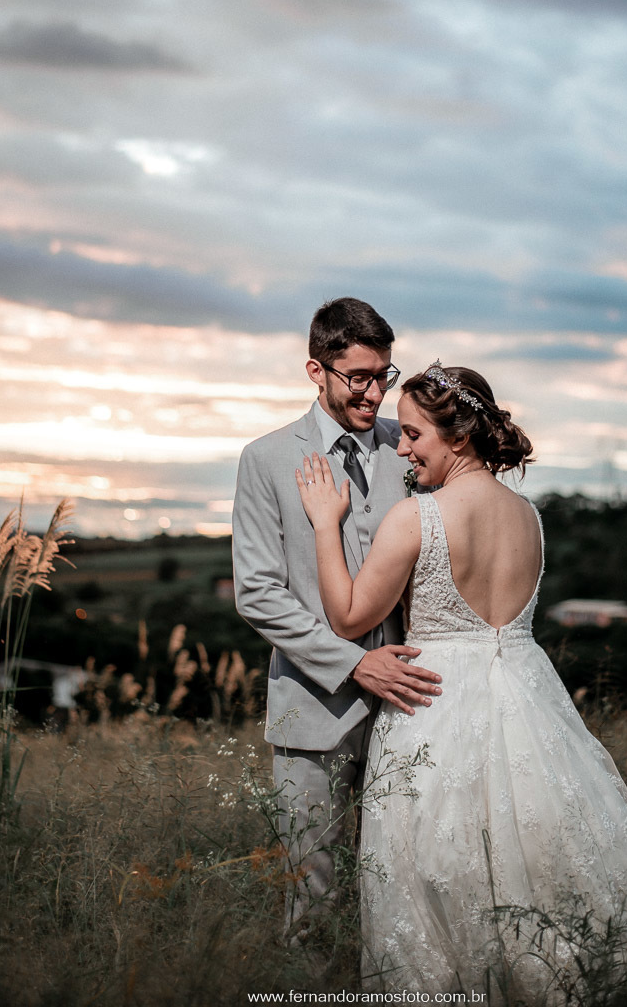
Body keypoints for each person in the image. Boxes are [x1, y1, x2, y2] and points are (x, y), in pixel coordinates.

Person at [296, 362, 627, 1002]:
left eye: (415, 434)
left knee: (438, 868)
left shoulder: (415, 518)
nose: (402, 446)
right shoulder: (529, 518)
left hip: (437, 701)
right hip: (526, 696)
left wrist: (324, 521)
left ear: (457, 437)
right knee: (541, 852)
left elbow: (346, 617)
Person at [231, 298, 442, 938]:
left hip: (410, 706)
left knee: (403, 887)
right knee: (312, 903)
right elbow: (258, 593)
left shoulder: (405, 450)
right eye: (359, 377)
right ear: (315, 370)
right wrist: (355, 663)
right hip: (311, 711)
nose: (374, 393)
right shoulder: (265, 459)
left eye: (384, 374)